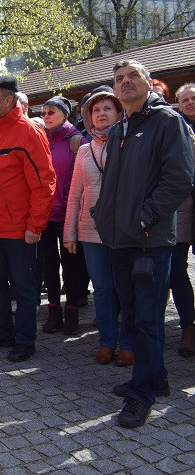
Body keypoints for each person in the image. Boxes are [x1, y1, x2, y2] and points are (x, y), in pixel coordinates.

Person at [92, 60, 194, 428]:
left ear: (148, 82)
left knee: (148, 320)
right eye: (119, 79)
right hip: (119, 240)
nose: (125, 83)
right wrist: (101, 215)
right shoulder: (119, 129)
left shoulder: (167, 122)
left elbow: (179, 179)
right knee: (132, 316)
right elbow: (114, 185)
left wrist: (143, 217)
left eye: (132, 76)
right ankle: (157, 377)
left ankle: (141, 396)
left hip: (150, 241)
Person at [0, 75, 56, 363]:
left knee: (23, 286)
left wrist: (35, 225)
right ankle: (3, 330)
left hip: (18, 229)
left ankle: (25, 338)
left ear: (9, 100)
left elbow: (44, 183)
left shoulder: (30, 132)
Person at [63, 90, 132, 365]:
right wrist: (69, 232)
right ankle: (106, 342)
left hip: (125, 230)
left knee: (126, 289)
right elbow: (76, 194)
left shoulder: (131, 143)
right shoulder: (84, 149)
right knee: (102, 289)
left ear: (119, 113)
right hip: (91, 230)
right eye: (95, 110)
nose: (101, 113)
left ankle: (128, 343)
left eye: (107, 108)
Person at [37, 96, 89, 335]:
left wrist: (70, 208)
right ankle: (53, 312)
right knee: (49, 265)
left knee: (71, 265)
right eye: (44, 112)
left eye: (51, 112)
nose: (46, 116)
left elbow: (81, 180)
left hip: (69, 214)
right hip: (45, 214)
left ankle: (72, 314)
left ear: (65, 114)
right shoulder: (40, 139)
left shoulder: (77, 140)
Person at [173, 82, 195, 357]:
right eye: (185, 99)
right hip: (182, 206)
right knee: (177, 269)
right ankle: (189, 326)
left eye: (193, 98)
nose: (190, 102)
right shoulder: (176, 128)